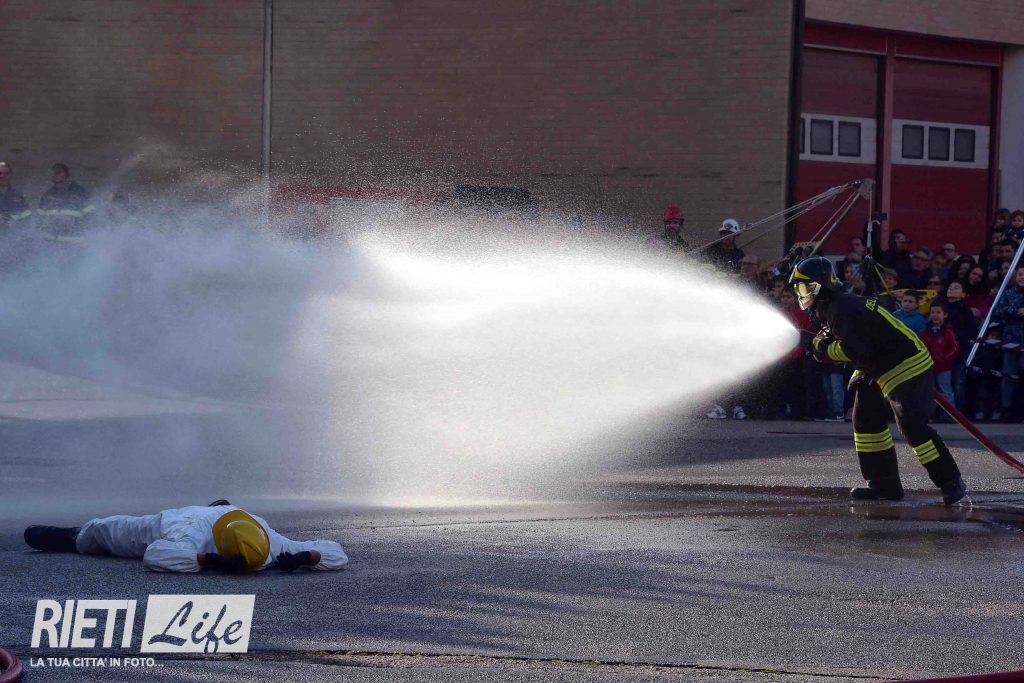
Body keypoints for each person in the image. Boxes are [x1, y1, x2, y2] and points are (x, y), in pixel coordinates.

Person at [789, 256, 968, 505]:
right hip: (876, 367)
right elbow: (858, 346)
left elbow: (853, 351)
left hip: (906, 364)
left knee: (912, 426)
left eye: (804, 287)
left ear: (820, 285)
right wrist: (818, 343)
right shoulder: (833, 306)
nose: (801, 294)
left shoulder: (841, 307)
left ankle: (950, 482)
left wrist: (817, 346)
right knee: (865, 421)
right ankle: (883, 484)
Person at [23, 501, 349, 573]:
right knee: (104, 530)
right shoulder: (191, 531)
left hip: (228, 513)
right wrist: (211, 561)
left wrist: (307, 558)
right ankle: (72, 537)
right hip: (173, 521)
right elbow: (155, 554)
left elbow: (337, 552)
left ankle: (218, 504)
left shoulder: (271, 541)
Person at [991, 265, 1024, 422]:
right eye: (1020, 274)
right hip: (1011, 339)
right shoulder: (1009, 293)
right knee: (1008, 375)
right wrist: (1014, 311)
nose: (1022, 277)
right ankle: (1006, 407)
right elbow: (997, 311)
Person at [941, 281, 978, 409]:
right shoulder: (941, 307)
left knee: (958, 382)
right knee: (942, 383)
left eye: (956, 287)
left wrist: (956, 334)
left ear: (963, 294)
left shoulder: (965, 309)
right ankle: (942, 411)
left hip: (959, 351)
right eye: (950, 287)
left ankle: (957, 411)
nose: (951, 289)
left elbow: (973, 331)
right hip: (941, 350)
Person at [37, 162, 96, 237]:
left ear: (66, 174)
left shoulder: (79, 192)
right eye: (54, 172)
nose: (55, 174)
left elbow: (91, 216)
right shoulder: (48, 194)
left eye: (58, 172)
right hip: (51, 241)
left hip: (73, 241)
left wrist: (82, 231)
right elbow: (40, 218)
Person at [919, 302, 959, 406]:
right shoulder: (924, 332)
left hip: (943, 368)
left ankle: (950, 413)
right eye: (932, 312)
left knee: (945, 391)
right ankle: (930, 412)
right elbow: (920, 347)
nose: (935, 315)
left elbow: (954, 348)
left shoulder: (948, 332)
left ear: (945, 315)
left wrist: (944, 358)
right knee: (928, 391)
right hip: (928, 367)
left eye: (938, 312)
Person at [0, 161, 32, 230]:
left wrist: (17, 221)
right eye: (0, 173)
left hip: (12, 233)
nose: (2, 176)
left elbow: (27, 215)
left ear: (11, 175)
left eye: (6, 174)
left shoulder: (18, 195)